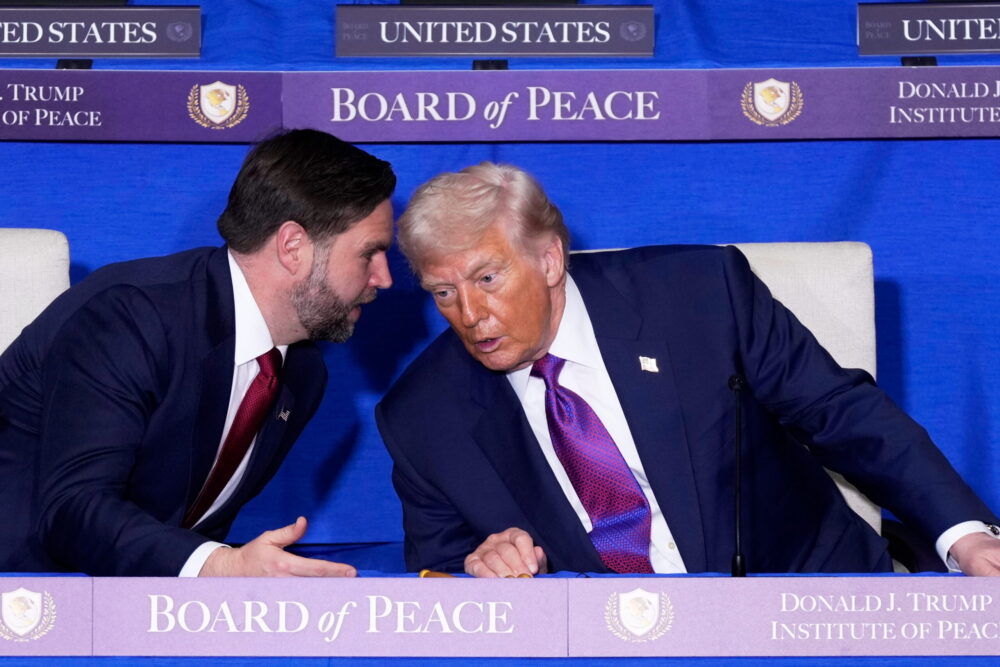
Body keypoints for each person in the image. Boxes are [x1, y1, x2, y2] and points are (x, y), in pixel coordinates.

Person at [376, 162, 1000, 577]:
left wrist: (965, 536)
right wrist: (479, 569)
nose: (470, 315)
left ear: (548, 260)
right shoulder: (422, 417)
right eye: (443, 293)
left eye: (487, 279)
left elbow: (841, 414)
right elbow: (440, 576)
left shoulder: (698, 295)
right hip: (605, 647)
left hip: (798, 602)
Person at [0, 129, 396, 577]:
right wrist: (221, 566)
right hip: (22, 586)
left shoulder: (303, 374)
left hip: (136, 601)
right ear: (292, 247)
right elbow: (74, 511)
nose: (383, 278)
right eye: (369, 254)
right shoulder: (130, 316)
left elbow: (191, 528)